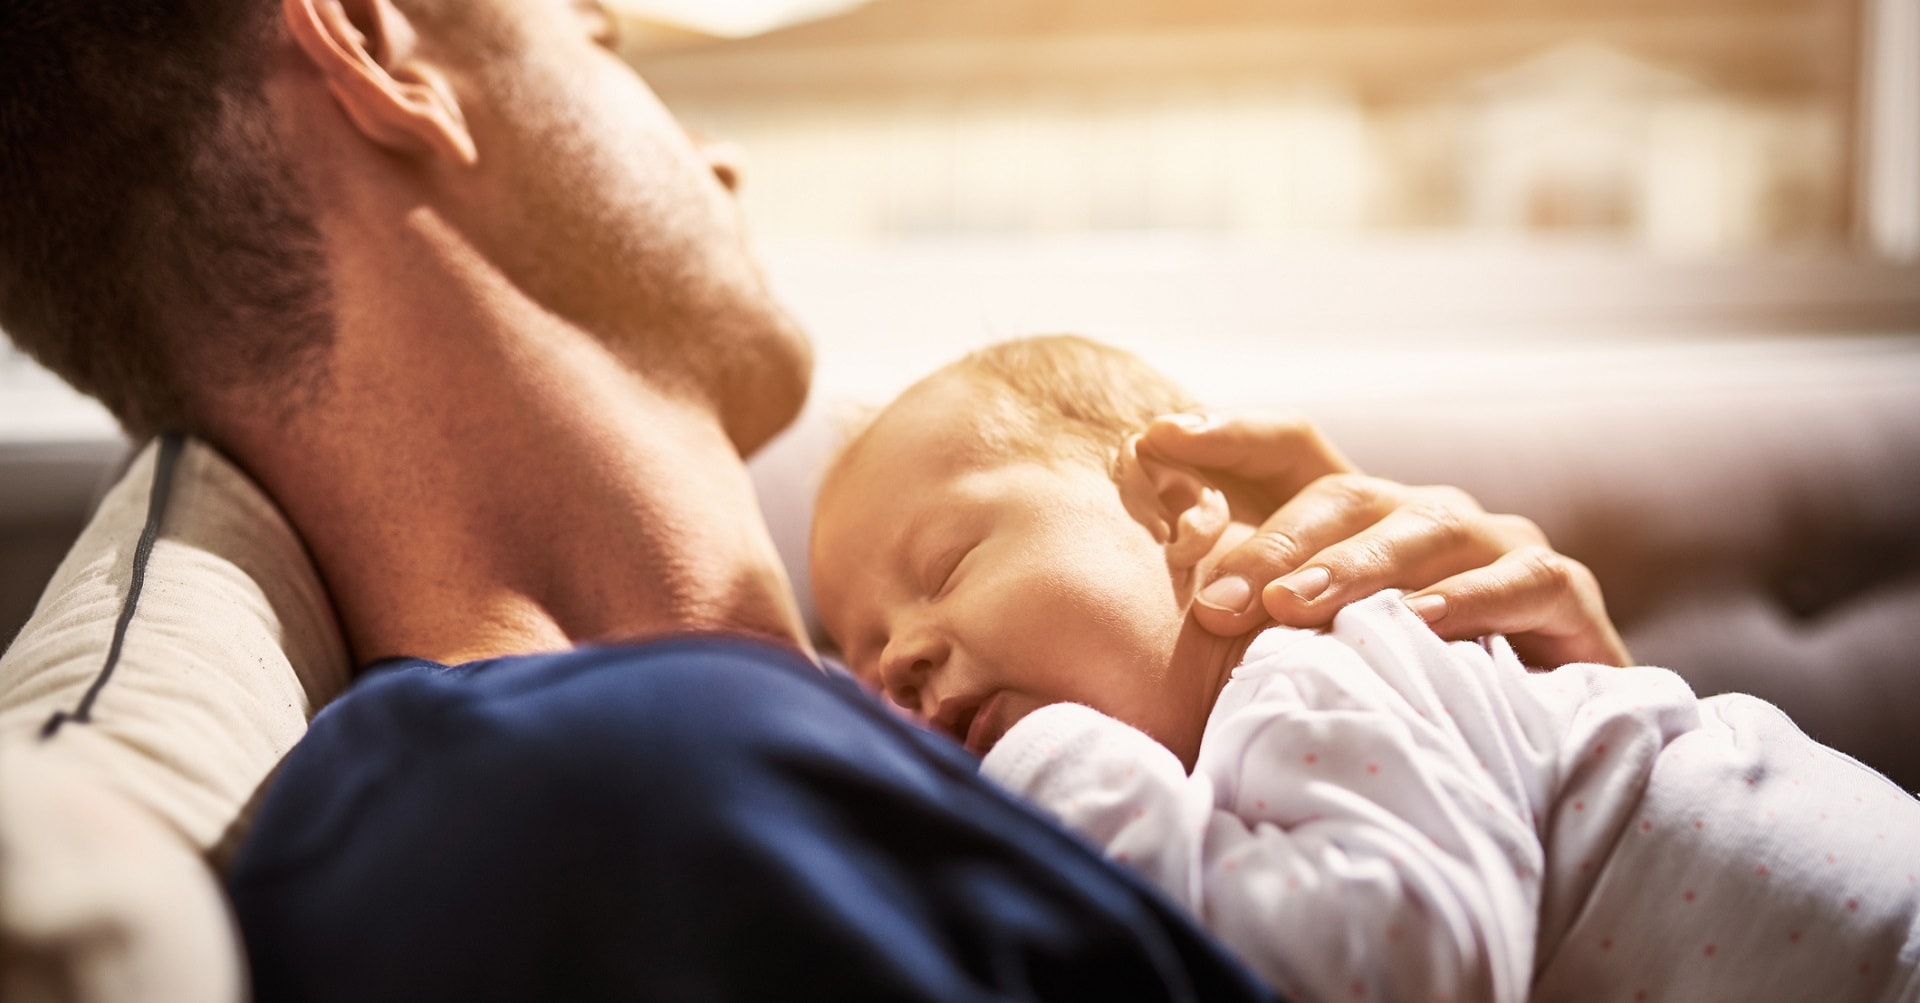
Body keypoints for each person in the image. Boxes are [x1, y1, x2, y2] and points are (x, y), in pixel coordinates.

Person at [1, 1, 1631, 998]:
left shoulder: (942, 713)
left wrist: (1554, 760)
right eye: (605, 41)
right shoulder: (588, 809)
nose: (718, 156)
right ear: (373, 46)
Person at [809, 335, 1920, 1003]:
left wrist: (1052, 760)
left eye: (947, 564)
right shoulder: (1241, 777)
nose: (897, 657)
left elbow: (1401, 972)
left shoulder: (1319, 663)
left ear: (1180, 511)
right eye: (858, 654)